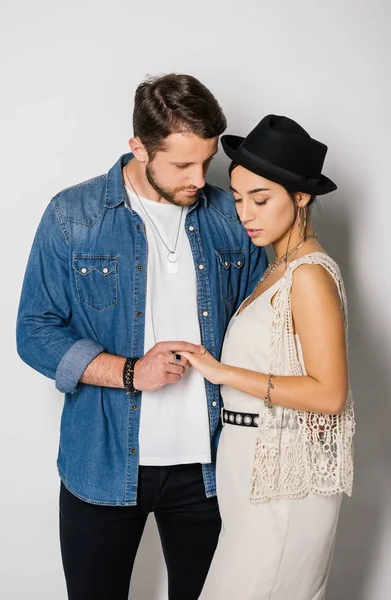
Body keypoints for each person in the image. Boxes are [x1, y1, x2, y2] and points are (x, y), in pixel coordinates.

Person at [16, 73, 267, 600]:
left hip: (211, 469)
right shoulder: (73, 216)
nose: (199, 178)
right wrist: (130, 371)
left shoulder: (230, 216)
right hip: (102, 463)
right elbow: (34, 331)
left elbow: (263, 326)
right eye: (181, 165)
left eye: (207, 160)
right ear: (138, 147)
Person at [180, 115, 355, 600]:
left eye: (260, 199)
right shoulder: (276, 266)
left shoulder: (310, 275)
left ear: (300, 197)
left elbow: (329, 393)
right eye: (237, 199)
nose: (246, 214)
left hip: (286, 482)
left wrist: (221, 371)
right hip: (250, 471)